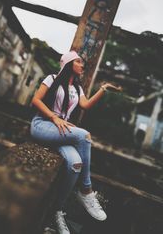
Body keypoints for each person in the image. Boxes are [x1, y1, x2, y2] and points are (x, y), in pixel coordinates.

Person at [30, 51, 122, 234]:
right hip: (43, 124)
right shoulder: (52, 78)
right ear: (69, 63)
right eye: (79, 62)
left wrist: (103, 89)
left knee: (75, 164)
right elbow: (36, 100)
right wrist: (54, 117)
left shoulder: (77, 88)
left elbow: (85, 105)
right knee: (84, 135)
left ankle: (57, 211)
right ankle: (86, 190)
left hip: (60, 131)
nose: (82, 65)